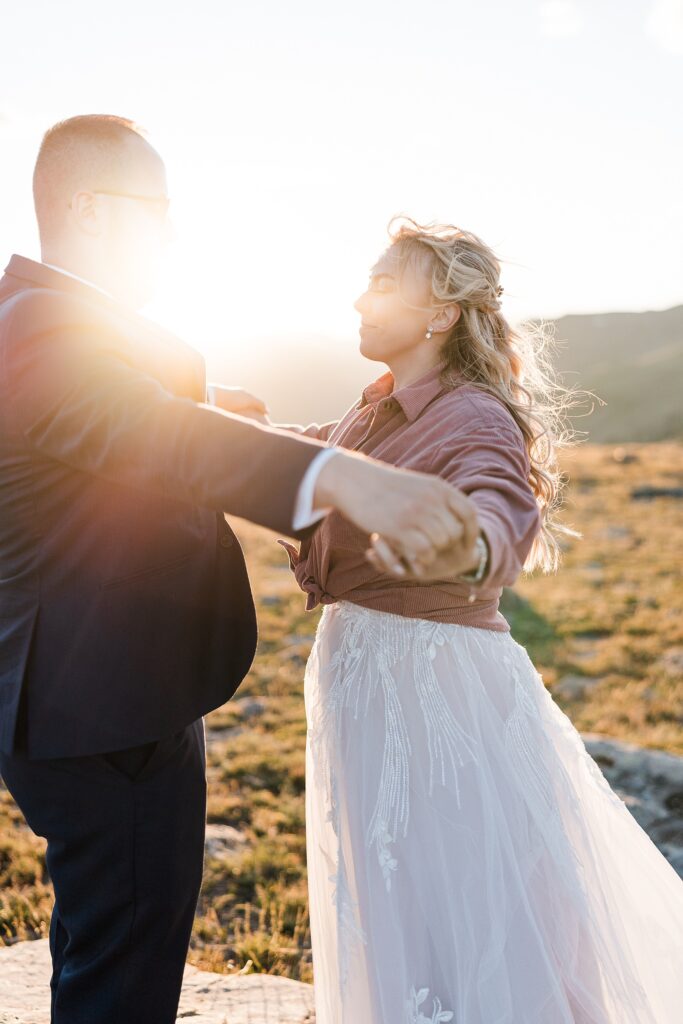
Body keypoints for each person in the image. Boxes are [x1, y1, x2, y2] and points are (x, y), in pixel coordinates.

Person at [0, 118, 480, 1024]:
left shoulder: (48, 318)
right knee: (125, 964)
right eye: (158, 210)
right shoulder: (36, 324)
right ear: (89, 209)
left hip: (95, 688)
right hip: (98, 704)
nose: (173, 232)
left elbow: (98, 416)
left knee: (103, 933)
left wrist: (214, 400)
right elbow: (141, 428)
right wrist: (338, 477)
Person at [251, 219, 683, 1023]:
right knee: (400, 896)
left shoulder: (472, 414)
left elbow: (496, 500)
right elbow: (303, 455)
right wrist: (215, 423)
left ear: (441, 313)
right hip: (367, 672)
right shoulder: (374, 412)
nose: (358, 297)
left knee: (468, 903)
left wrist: (473, 547)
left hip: (434, 691)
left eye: (383, 283)